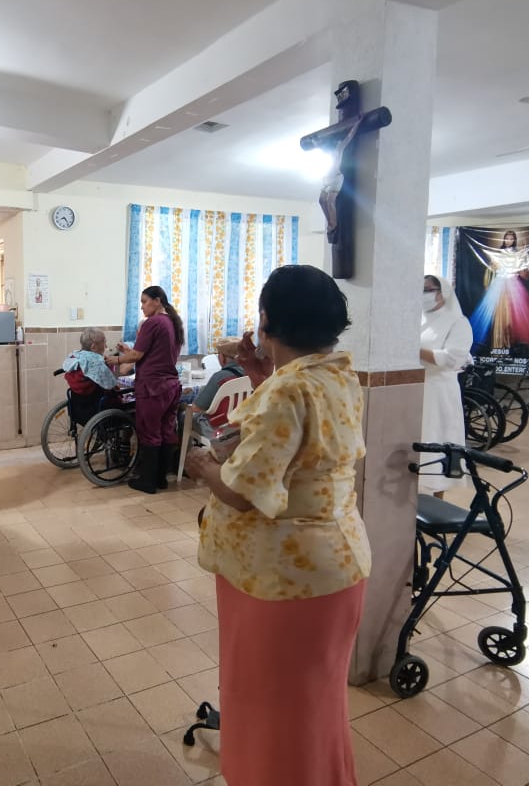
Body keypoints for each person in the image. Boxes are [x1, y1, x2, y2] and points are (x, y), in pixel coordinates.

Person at [185, 265, 370, 786]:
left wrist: (202, 467)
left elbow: (245, 493)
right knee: (310, 709)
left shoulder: (286, 392)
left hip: (283, 581)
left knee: (272, 711)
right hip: (335, 567)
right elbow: (299, 436)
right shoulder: (338, 374)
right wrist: (261, 373)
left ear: (265, 321)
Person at [106, 285, 183, 493]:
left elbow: (137, 356)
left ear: (157, 301)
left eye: (144, 301)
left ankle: (147, 481)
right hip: (170, 386)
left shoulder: (153, 323)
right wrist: (129, 351)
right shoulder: (172, 322)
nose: (142, 307)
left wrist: (116, 359)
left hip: (153, 388)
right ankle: (161, 479)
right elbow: (151, 353)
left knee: (149, 432)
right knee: (167, 431)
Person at [420, 275, 473, 497]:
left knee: (438, 440)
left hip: (440, 391)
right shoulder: (417, 318)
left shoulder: (457, 322)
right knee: (419, 442)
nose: (423, 294)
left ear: (443, 293)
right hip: (416, 388)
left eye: (428, 289)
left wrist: (414, 350)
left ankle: (437, 497)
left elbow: (453, 358)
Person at [470, 228, 529, 351]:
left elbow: (525, 270)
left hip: (513, 286)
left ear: (514, 240)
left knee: (513, 316)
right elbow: (491, 269)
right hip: (499, 285)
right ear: (504, 239)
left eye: (511, 238)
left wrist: (524, 256)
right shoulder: (498, 254)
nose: (509, 240)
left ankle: (509, 345)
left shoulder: (518, 254)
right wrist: (488, 282)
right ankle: (498, 345)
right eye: (507, 238)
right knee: (499, 316)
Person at [191, 336, 249, 417]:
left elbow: (196, 408)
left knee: (183, 413)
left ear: (222, 357)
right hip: (243, 419)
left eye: (218, 354)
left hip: (218, 422)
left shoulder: (220, 377)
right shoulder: (253, 374)